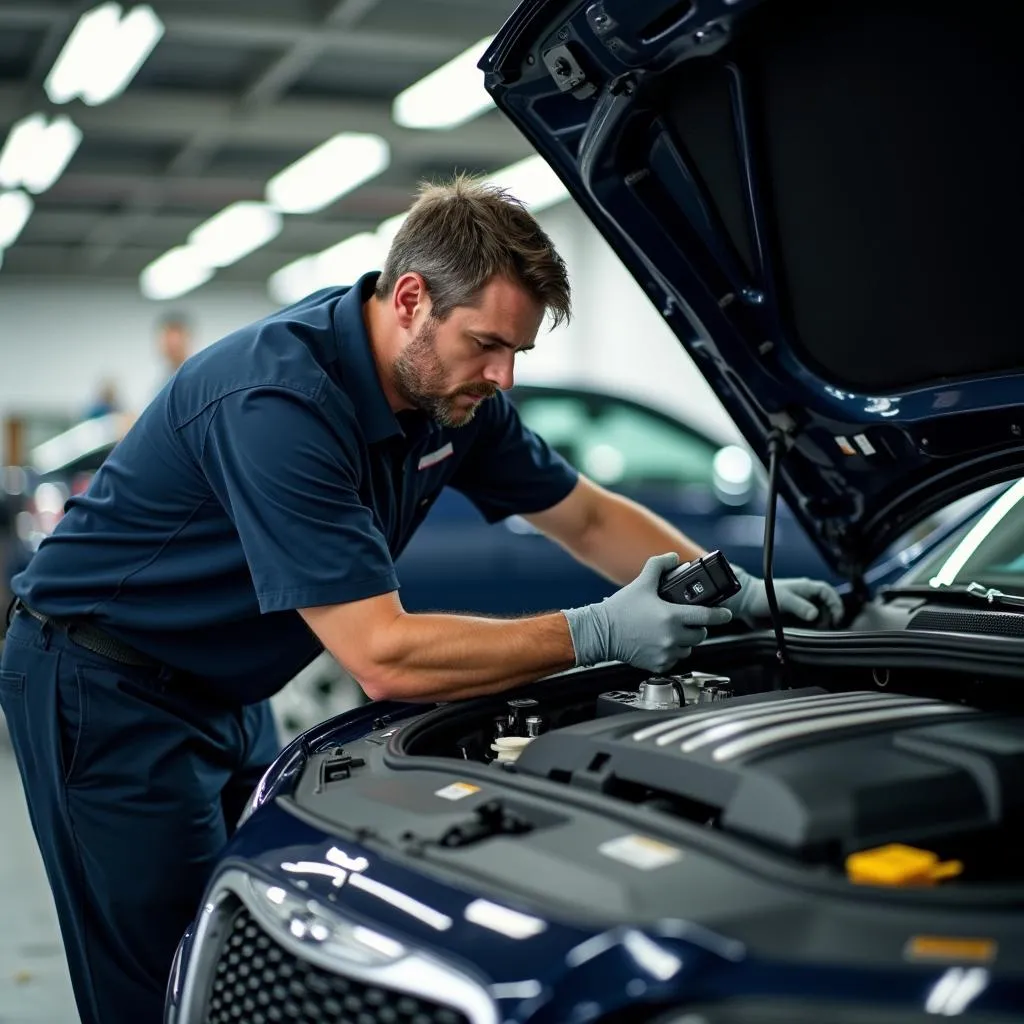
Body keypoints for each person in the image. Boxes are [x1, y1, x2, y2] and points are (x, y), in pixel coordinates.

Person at [0, 176, 842, 1024]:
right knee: (161, 980)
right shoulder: (281, 402)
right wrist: (598, 631)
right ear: (411, 299)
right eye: (487, 344)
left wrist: (730, 588)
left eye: (517, 351)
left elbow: (584, 516)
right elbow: (382, 656)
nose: (504, 375)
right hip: (104, 684)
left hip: (227, 686)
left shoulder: (452, 395)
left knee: (253, 943)